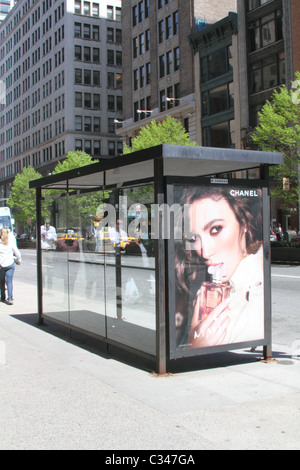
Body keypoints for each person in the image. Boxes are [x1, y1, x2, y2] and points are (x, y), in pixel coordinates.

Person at [175, 186, 264, 349]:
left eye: (215, 229)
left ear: (243, 223)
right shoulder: (205, 284)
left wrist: (195, 346)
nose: (205, 252)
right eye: (194, 237)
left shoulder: (257, 296)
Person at [0, 228, 22, 305]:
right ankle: (10, 299)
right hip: (10, 264)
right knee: (9, 282)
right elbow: (18, 253)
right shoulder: (11, 242)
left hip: (1, 266)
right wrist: (18, 259)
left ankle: (2, 297)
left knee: (2, 282)